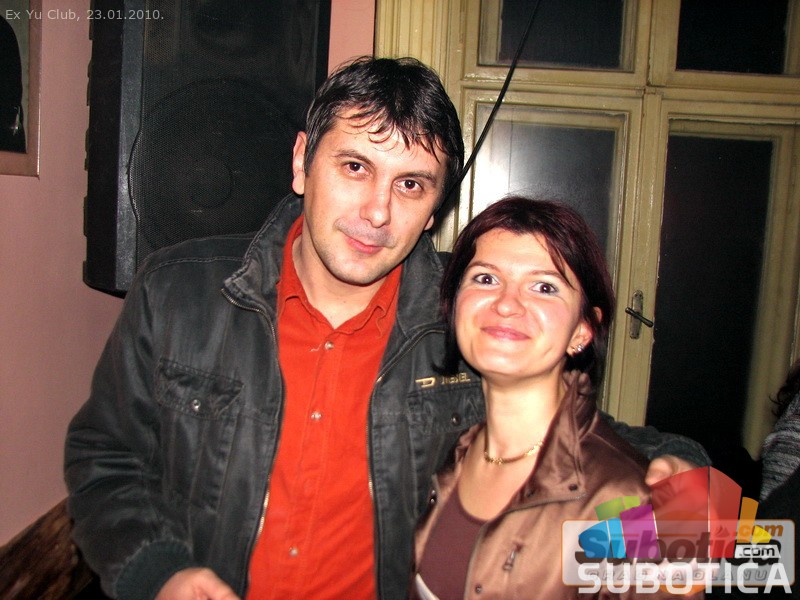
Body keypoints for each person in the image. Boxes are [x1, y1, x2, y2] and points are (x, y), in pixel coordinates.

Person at [64, 57, 708, 600]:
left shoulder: (470, 320)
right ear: (302, 162)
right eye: (355, 167)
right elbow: (104, 457)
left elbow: (596, 446)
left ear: (434, 210)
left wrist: (688, 486)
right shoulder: (177, 294)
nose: (377, 211)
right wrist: (158, 571)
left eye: (411, 184)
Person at [412, 196, 666, 598]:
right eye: (485, 279)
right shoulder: (450, 451)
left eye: (544, 287)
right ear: (454, 304)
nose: (506, 304)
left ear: (582, 329)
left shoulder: (627, 500)